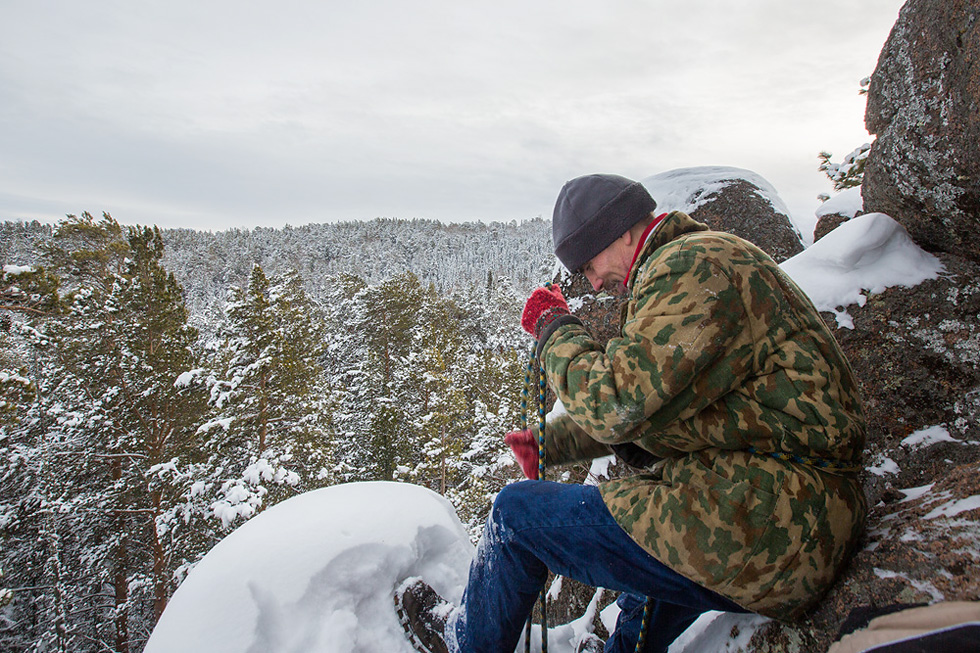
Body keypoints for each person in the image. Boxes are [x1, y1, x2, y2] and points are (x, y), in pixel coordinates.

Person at [395, 173, 867, 653]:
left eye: (589, 262)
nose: (595, 282)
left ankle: (462, 642)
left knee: (514, 516)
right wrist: (548, 444)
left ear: (622, 230)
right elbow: (654, 411)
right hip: (791, 521)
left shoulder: (691, 266)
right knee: (656, 544)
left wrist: (555, 328)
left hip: (771, 520)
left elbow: (615, 403)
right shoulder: (698, 263)